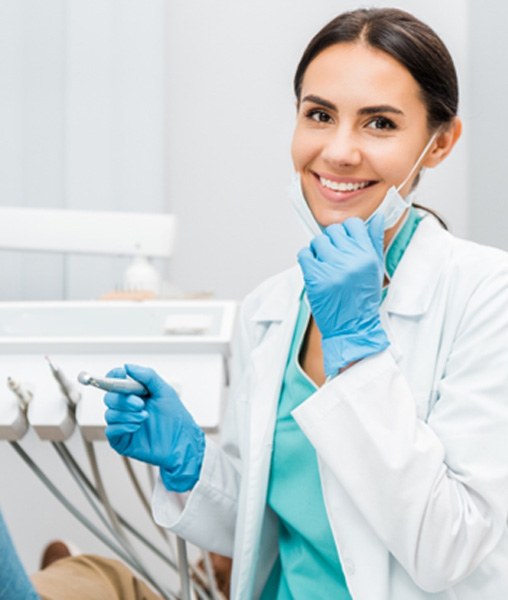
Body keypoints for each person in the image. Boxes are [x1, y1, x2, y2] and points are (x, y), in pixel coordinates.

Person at [103, 7, 508, 600]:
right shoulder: (271, 306)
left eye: (379, 124)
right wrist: (192, 463)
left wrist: (357, 350)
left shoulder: (485, 295)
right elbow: (266, 527)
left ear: (440, 142)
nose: (339, 152)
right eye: (319, 115)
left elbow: (450, 548)